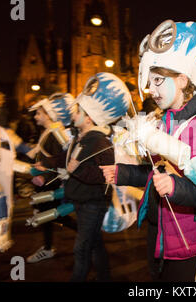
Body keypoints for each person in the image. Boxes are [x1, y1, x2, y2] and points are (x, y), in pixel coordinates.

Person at [101, 20, 196, 282]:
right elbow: (158, 173)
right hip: (159, 230)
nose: (150, 89)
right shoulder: (165, 120)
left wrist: (177, 189)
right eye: (149, 81)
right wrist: (122, 173)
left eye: (157, 81)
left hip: (188, 237)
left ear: (182, 79)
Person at [38, 72, 130, 282]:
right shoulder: (82, 137)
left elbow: (105, 174)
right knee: (94, 243)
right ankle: (105, 277)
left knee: (81, 248)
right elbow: (65, 158)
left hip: (93, 203)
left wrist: (78, 169)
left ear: (88, 117)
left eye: (77, 110)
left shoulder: (100, 142)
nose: (72, 114)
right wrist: (45, 164)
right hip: (81, 201)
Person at [26, 93, 78, 263]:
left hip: (49, 184)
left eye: (39, 113)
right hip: (44, 182)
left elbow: (64, 158)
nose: (35, 116)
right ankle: (85, 234)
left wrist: (45, 177)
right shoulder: (49, 131)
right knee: (49, 215)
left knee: (52, 215)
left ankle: (49, 248)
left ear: (48, 115)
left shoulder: (55, 132)